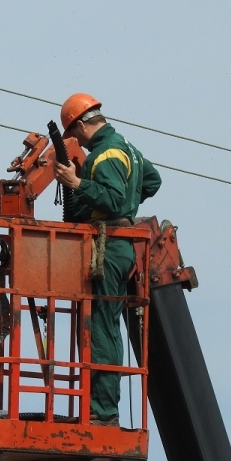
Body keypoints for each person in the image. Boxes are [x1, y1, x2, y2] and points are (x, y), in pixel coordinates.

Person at [54, 93, 161, 426]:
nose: (76, 143)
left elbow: (113, 200)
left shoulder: (106, 154)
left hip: (110, 245)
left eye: (75, 134)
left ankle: (102, 410)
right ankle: (101, 407)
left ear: (83, 124)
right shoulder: (126, 146)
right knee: (105, 322)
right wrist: (131, 202)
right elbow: (152, 181)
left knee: (102, 326)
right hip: (119, 243)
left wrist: (76, 183)